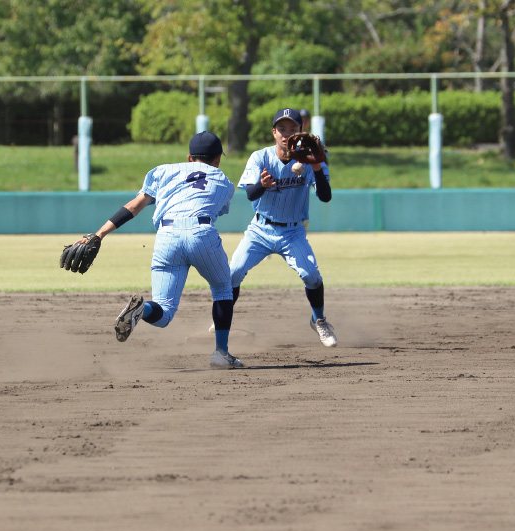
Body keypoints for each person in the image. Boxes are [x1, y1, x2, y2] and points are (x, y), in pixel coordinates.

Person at [78, 131, 244, 369]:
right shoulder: (224, 181)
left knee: (164, 313)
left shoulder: (163, 171)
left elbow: (133, 207)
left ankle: (142, 309)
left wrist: (99, 234)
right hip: (201, 232)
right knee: (223, 289)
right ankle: (221, 353)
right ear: (218, 159)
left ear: (189, 158)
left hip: (166, 236)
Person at [228, 107, 337, 347]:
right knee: (232, 273)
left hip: (292, 231)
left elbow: (326, 197)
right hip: (260, 229)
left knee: (312, 276)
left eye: (292, 129)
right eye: (282, 129)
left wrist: (317, 166)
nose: (287, 134)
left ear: (301, 131)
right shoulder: (260, 157)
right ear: (274, 132)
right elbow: (250, 194)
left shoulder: (311, 159)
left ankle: (319, 320)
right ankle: (221, 320)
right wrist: (262, 185)